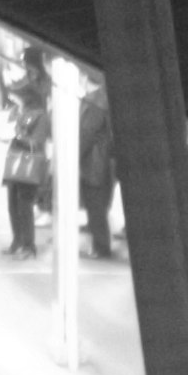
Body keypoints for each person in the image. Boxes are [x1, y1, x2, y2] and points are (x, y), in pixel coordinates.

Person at [2, 46, 53, 257]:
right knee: (13, 205)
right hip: (17, 164)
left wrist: (18, 136)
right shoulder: (22, 113)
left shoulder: (39, 115)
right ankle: (17, 240)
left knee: (24, 207)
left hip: (29, 165)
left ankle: (28, 245)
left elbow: (37, 141)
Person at [73, 74, 117, 259]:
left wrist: (73, 156)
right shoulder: (106, 99)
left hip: (95, 161)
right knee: (98, 203)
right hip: (106, 160)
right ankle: (100, 244)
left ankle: (101, 247)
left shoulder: (96, 102)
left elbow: (86, 133)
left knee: (95, 204)